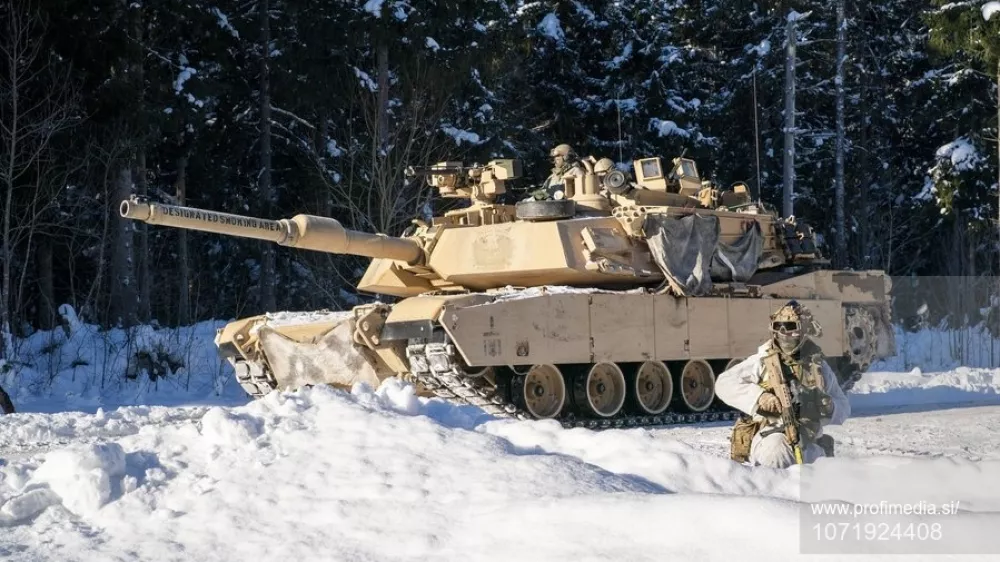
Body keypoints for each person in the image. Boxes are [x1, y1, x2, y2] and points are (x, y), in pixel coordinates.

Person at [715, 301, 850, 468]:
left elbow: (843, 405)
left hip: (809, 437)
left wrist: (830, 406)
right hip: (770, 434)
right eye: (779, 327)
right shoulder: (763, 361)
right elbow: (724, 383)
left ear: (803, 330)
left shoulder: (818, 366)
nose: (783, 333)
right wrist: (760, 397)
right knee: (777, 452)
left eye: (790, 327)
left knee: (821, 471)